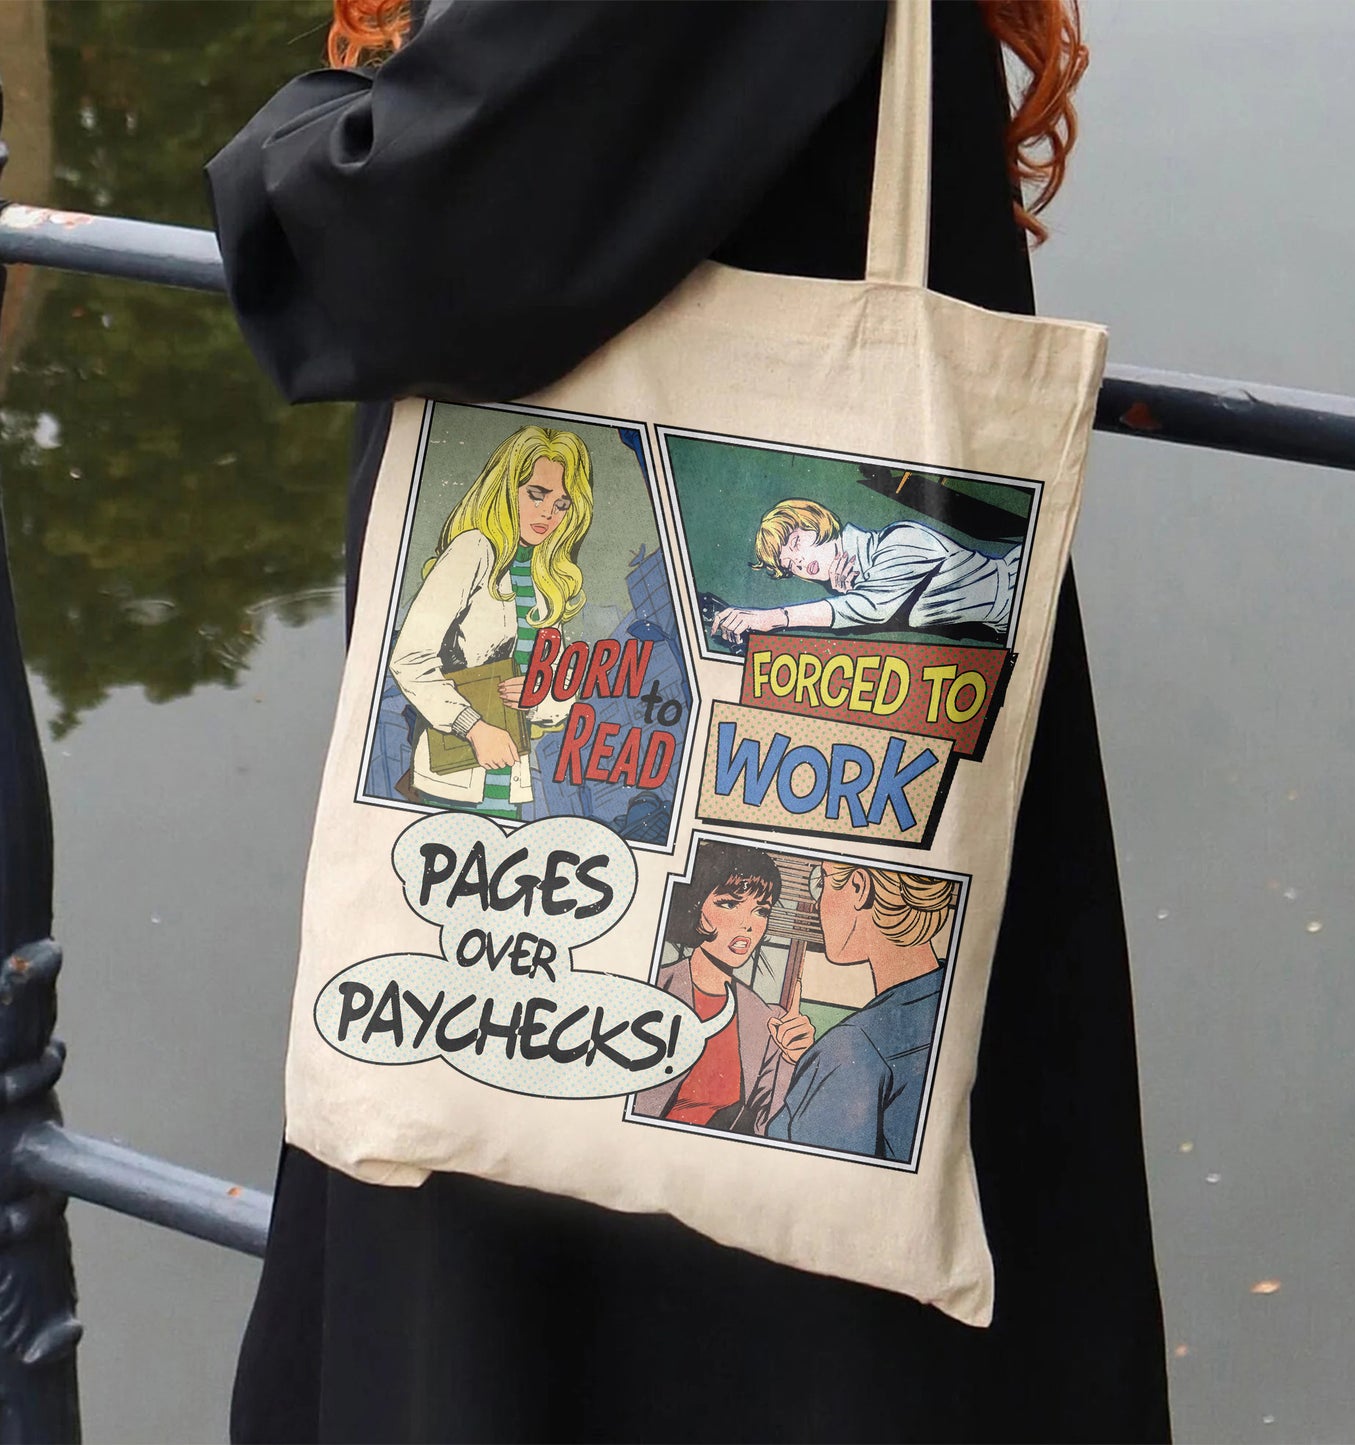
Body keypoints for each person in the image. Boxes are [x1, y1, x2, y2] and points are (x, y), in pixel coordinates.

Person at [208, 2, 1170, 1440]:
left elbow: (411, 235)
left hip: (585, 1139)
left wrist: (285, 151)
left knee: (541, 1347)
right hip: (793, 805)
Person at [389, 423, 591, 818]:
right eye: (536, 495)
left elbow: (561, 692)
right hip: (452, 776)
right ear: (507, 489)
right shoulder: (473, 550)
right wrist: (474, 727)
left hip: (510, 780)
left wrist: (538, 694)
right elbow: (409, 660)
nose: (547, 513)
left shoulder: (547, 577)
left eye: (562, 504)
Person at [767, 864, 954, 1162]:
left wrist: (829, 1066)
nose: (817, 905)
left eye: (821, 883)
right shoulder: (949, 1004)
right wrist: (816, 1067)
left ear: (858, 887)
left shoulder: (853, 1046)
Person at [632, 842, 814, 1134]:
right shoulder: (653, 989)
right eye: (729, 904)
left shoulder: (767, 1020)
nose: (748, 925)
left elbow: (770, 1129)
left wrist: (794, 1060)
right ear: (696, 905)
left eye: (761, 911)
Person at [711, 498, 1020, 644]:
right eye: (790, 565)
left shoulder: (900, 539)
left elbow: (873, 608)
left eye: (796, 543)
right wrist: (848, 593)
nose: (800, 563)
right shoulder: (863, 581)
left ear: (818, 523)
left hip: (1022, 590)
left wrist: (773, 618)